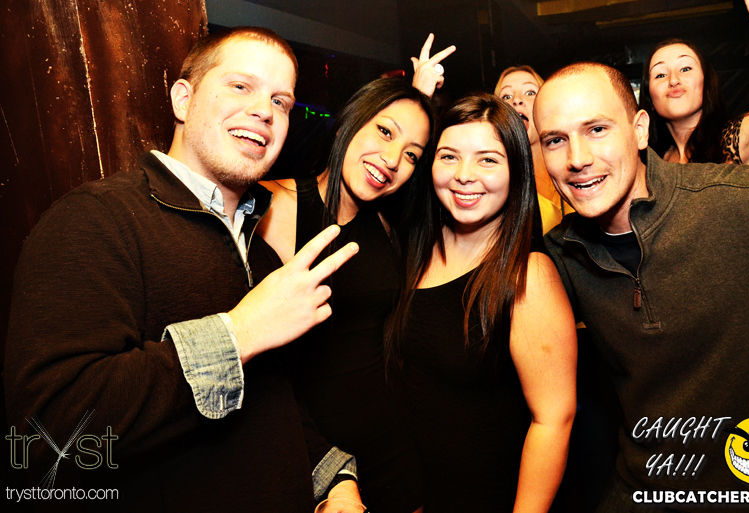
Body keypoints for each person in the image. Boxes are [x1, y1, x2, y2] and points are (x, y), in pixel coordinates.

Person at [4, 27, 365, 512]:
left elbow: (273, 404)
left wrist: (334, 480)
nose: (264, 110)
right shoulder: (97, 218)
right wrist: (239, 334)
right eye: (241, 85)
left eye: (280, 101)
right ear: (183, 99)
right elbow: (46, 433)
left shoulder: (262, 256)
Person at [535, 61, 749, 511]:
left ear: (640, 130)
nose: (577, 158)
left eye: (596, 129)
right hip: (643, 485)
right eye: (555, 140)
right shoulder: (559, 255)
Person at [386, 92, 577, 512]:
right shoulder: (416, 249)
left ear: (516, 172)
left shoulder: (529, 276)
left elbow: (553, 420)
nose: (464, 175)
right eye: (449, 157)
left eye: (487, 160)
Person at [257, 77, 435, 513]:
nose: (393, 160)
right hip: (310, 457)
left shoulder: (388, 226)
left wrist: (421, 101)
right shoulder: (273, 207)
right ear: (348, 123)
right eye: (384, 131)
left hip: (392, 450)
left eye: (412, 154)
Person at [640, 0, 749, 166]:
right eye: (660, 75)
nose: (674, 80)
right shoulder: (652, 163)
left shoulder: (743, 135)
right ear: (650, 100)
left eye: (685, 69)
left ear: (707, 83)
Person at [495, 66, 574, 232]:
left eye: (530, 92)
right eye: (506, 96)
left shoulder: (575, 164)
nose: (517, 100)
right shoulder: (493, 183)